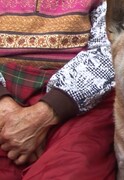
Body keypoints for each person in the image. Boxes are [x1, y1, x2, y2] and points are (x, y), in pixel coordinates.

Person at [0, 0, 116, 179]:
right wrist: (4, 107)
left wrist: (44, 114)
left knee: (73, 169)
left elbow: (111, 50)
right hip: (5, 90)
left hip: (79, 97)